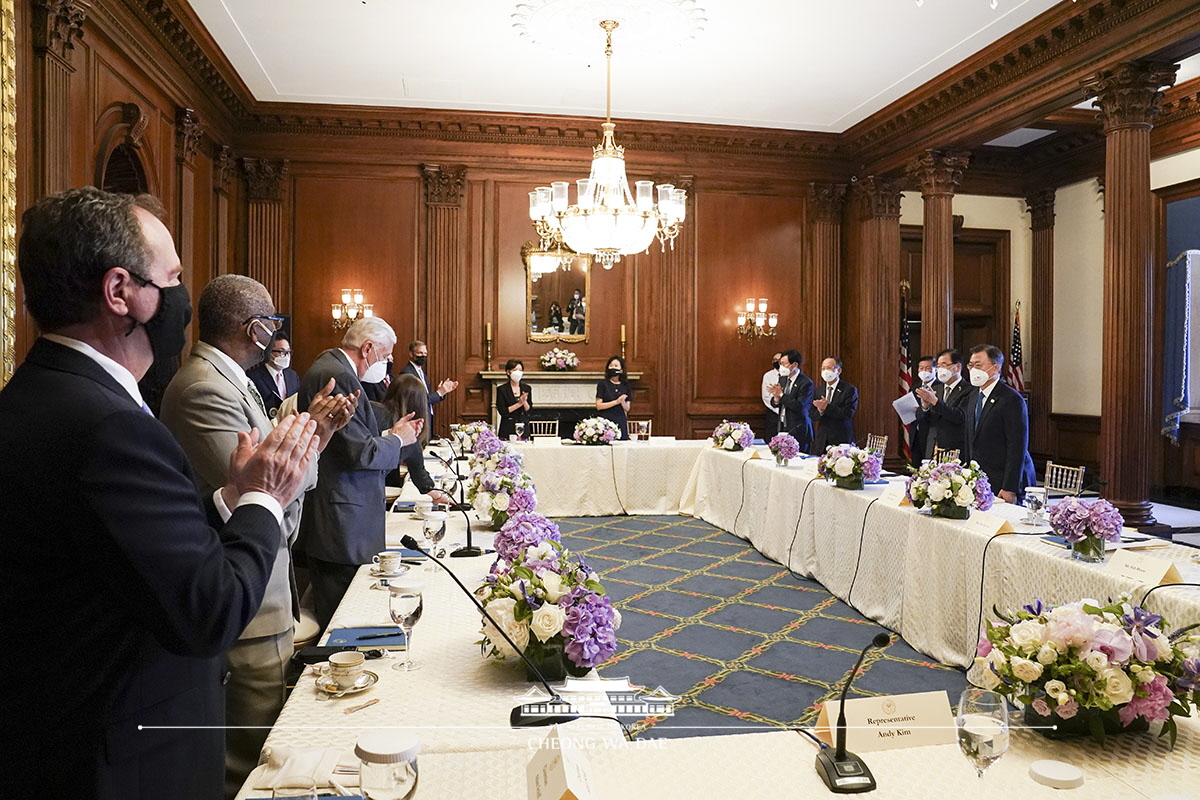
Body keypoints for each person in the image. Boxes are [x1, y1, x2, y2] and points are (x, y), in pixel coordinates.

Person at [0, 187, 319, 799]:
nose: (181, 298)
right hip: (126, 756)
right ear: (122, 293)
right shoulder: (107, 423)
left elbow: (125, 549)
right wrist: (267, 500)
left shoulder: (49, 393)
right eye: (171, 278)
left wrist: (230, 497)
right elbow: (209, 610)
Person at [159, 275, 355, 797]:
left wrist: (315, 434)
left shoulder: (230, 378)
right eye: (273, 323)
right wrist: (309, 440)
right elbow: (263, 494)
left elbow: (277, 473)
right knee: (250, 765)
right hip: (243, 599)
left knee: (268, 745)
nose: (276, 334)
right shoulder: (205, 387)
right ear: (256, 328)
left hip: (266, 589)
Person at [298, 317, 423, 628]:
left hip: (343, 518)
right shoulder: (337, 374)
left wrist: (388, 436)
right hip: (341, 522)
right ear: (368, 348)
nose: (389, 362)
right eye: (386, 355)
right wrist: (398, 439)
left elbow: (353, 442)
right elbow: (359, 453)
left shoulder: (331, 367)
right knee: (344, 622)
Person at [963, 344, 1036, 503]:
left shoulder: (1011, 399)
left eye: (978, 365)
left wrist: (1010, 487)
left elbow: (1017, 447)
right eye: (971, 365)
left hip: (1003, 481)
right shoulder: (974, 396)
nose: (972, 370)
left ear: (995, 369)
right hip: (980, 479)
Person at [374, 374, 455, 506]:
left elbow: (419, 472)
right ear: (419, 404)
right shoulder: (406, 431)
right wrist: (437, 495)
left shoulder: (373, 410)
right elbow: (419, 472)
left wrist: (435, 493)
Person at [916, 348, 971, 461]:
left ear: (957, 367)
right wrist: (925, 406)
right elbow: (924, 419)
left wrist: (935, 401)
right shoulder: (936, 389)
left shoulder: (969, 390)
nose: (940, 369)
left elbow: (960, 417)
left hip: (954, 450)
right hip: (932, 447)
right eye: (939, 366)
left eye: (944, 365)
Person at [401, 340, 458, 435]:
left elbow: (427, 397)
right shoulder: (408, 373)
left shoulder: (420, 371)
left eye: (425, 353)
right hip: (417, 419)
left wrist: (442, 392)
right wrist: (439, 393)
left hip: (426, 417)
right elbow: (419, 400)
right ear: (411, 354)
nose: (423, 356)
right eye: (419, 353)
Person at [810, 356, 859, 454]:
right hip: (822, 439)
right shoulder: (818, 390)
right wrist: (820, 410)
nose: (825, 371)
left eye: (829, 368)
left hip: (841, 438)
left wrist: (827, 407)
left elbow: (847, 413)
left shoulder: (849, 390)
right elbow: (812, 415)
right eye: (823, 368)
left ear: (839, 371)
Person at [768, 349, 813, 451]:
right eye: (780, 364)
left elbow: (799, 406)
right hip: (783, 425)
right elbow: (776, 403)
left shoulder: (806, 383)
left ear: (794, 365)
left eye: (784, 364)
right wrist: (776, 398)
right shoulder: (782, 379)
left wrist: (781, 395)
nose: (781, 367)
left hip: (798, 428)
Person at [248, 331, 300, 418]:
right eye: (281, 352)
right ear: (269, 353)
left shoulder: (292, 376)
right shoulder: (254, 376)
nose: (286, 356)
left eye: (288, 352)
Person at [909, 354, 937, 466]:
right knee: (915, 466)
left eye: (928, 368)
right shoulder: (914, 388)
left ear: (935, 369)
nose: (924, 371)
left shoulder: (939, 386)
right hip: (916, 431)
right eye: (921, 368)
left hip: (931, 432)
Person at [595, 354, 631, 440]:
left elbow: (627, 408)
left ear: (621, 370)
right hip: (606, 421)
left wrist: (622, 402)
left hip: (620, 420)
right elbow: (599, 406)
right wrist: (616, 402)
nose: (613, 368)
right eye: (610, 366)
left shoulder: (626, 385)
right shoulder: (603, 384)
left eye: (616, 366)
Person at [496, 358, 532, 439]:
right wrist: (519, 404)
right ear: (508, 372)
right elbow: (503, 411)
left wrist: (524, 402)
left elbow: (529, 410)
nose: (518, 372)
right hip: (508, 428)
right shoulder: (502, 389)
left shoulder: (526, 388)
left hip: (523, 427)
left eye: (520, 370)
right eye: (515, 370)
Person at [761, 352, 782, 438]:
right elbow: (766, 396)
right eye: (774, 360)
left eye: (779, 360)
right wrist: (777, 409)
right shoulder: (768, 375)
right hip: (773, 414)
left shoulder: (789, 375)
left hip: (788, 414)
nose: (776, 362)